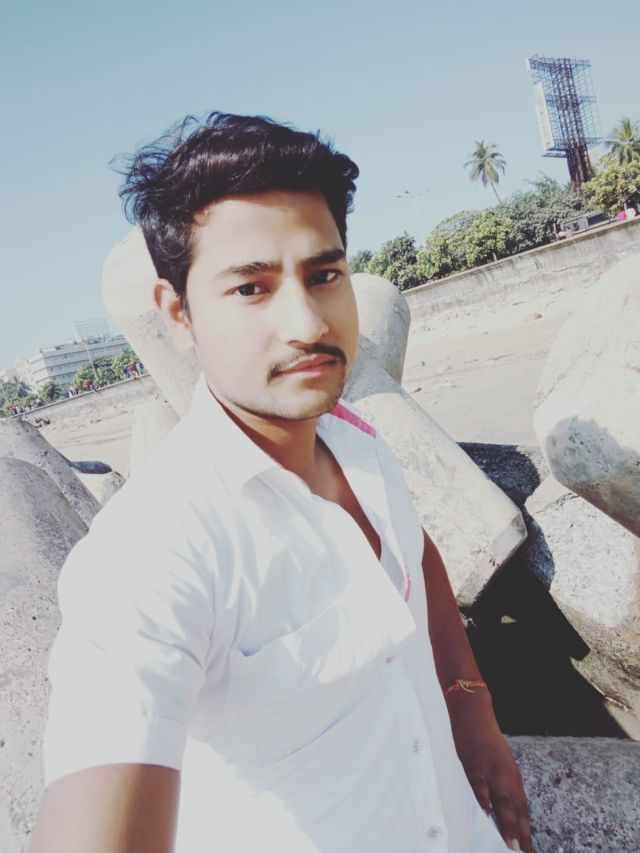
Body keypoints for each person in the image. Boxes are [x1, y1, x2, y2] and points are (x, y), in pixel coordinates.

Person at [30, 112, 531, 853]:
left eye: (323, 275)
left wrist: (471, 709)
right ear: (178, 314)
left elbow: (414, 552)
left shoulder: (359, 445)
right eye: (251, 288)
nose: (306, 322)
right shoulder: (152, 550)